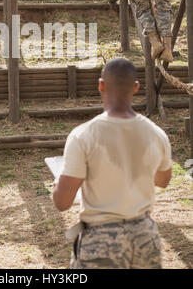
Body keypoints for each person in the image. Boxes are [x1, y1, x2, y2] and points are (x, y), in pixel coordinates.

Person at [53, 58, 172, 269]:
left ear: (101, 85)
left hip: (101, 241)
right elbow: (163, 180)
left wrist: (57, 184)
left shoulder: (83, 135)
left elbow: (62, 202)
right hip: (145, 237)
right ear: (136, 88)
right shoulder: (156, 134)